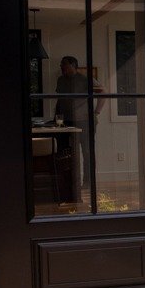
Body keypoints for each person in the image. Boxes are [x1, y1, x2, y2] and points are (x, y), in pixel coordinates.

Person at [55, 56, 105, 203]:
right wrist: (56, 117)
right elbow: (60, 99)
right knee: (67, 152)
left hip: (85, 121)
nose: (61, 67)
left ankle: (88, 182)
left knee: (87, 151)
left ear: (73, 65)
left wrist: (96, 112)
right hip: (66, 121)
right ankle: (70, 182)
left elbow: (103, 92)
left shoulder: (85, 79)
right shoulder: (60, 80)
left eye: (64, 64)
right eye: (61, 64)